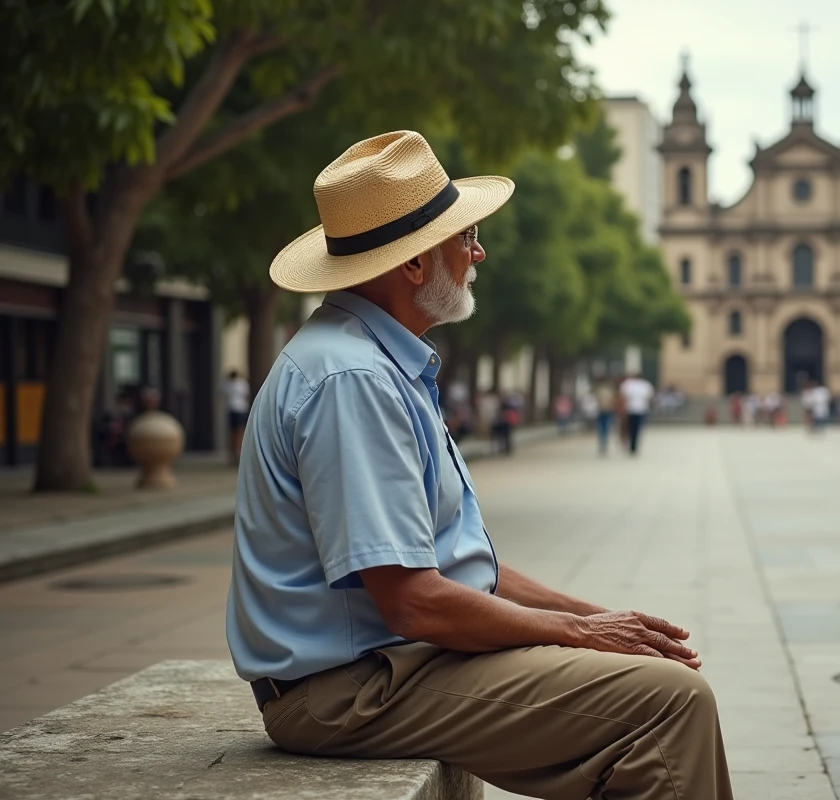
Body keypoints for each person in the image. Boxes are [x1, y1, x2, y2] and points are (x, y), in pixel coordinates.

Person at [226, 132, 732, 799]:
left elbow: (449, 563)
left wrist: (597, 617)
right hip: (350, 690)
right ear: (413, 266)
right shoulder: (354, 378)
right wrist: (581, 631)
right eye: (464, 238)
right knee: (669, 704)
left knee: (649, 694)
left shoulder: (375, 361)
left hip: (385, 666)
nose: (478, 253)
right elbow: (411, 601)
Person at [619, 371, 655, 454]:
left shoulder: (630, 385)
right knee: (634, 428)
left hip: (637, 410)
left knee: (634, 428)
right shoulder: (630, 384)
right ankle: (632, 443)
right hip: (633, 410)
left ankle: (633, 444)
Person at [222, 370, 252, 463]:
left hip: (233, 409)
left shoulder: (227, 384)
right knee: (239, 431)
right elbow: (246, 395)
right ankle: (237, 451)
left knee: (233, 432)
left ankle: (234, 452)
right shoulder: (242, 383)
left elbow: (222, 395)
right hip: (241, 409)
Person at [592, 378, 617, 454]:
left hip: (603, 411)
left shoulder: (599, 390)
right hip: (605, 411)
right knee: (604, 428)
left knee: (603, 428)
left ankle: (603, 443)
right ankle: (603, 443)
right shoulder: (609, 391)